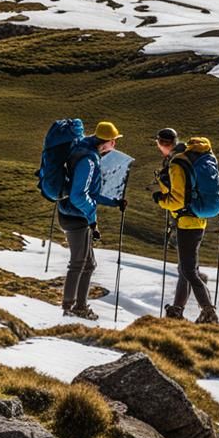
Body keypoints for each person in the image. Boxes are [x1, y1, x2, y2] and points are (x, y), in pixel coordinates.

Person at [153, 134, 219, 324]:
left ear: (161, 144)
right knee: (185, 267)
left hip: (187, 222)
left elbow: (177, 200)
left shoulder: (179, 163)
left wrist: (161, 201)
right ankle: (177, 309)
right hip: (200, 218)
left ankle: (209, 312)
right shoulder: (204, 158)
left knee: (188, 270)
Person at [58, 120, 126, 320]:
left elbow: (90, 192)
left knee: (88, 264)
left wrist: (114, 202)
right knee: (79, 263)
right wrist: (92, 218)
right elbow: (79, 195)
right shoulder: (88, 160)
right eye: (114, 141)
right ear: (106, 142)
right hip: (76, 216)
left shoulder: (84, 151)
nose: (115, 145)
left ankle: (78, 305)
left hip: (72, 213)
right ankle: (70, 308)